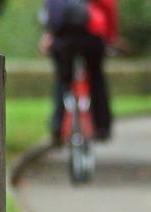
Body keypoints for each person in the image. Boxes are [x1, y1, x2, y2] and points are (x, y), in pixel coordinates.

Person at [40, 0, 118, 144]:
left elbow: (50, 8)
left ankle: (57, 126)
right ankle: (102, 126)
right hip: (92, 34)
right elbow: (108, 7)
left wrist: (48, 34)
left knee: (62, 80)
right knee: (96, 77)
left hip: (63, 36)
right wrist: (111, 39)